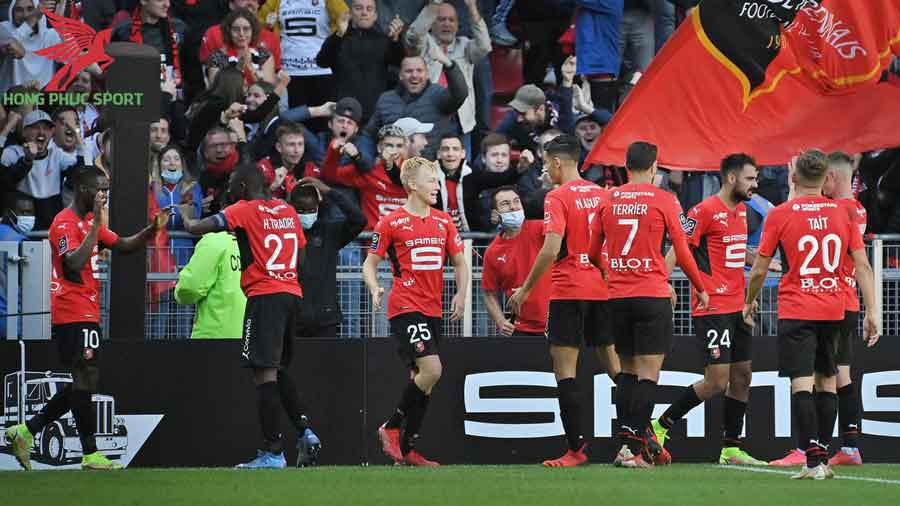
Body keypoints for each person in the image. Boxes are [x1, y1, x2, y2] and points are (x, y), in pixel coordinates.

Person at [4, 165, 169, 471]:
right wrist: (95, 229)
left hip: (88, 309)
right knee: (85, 378)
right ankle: (90, 453)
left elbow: (123, 245)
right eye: (100, 188)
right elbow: (72, 263)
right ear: (83, 190)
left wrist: (152, 229)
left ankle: (25, 430)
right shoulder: (64, 223)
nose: (104, 194)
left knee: (85, 381)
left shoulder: (89, 221)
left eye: (106, 188)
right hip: (71, 309)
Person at [744, 150, 879, 480]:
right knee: (828, 382)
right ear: (825, 178)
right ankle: (820, 452)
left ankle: (812, 458)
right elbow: (862, 264)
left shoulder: (781, 214)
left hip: (798, 307)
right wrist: (872, 309)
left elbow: (760, 267)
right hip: (835, 308)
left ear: (792, 177)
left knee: (801, 383)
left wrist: (749, 300)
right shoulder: (843, 213)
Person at [180, 163, 323, 469]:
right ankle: (305, 431)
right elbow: (300, 254)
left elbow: (198, 228)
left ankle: (273, 453)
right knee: (278, 368)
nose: (228, 189)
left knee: (264, 375)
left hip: (264, 297)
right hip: (290, 294)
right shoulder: (286, 211)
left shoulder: (243, 209)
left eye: (231, 184)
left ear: (243, 187)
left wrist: (185, 215)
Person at [588, 141, 709, 468]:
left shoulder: (608, 198)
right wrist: (700, 288)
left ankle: (624, 446)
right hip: (652, 294)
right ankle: (632, 448)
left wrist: (607, 271)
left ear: (627, 167)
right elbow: (682, 252)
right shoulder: (665, 199)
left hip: (617, 296)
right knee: (648, 374)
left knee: (627, 371)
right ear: (654, 167)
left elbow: (591, 253)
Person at [507, 135, 620, 467]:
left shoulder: (556, 197)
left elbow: (552, 248)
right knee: (615, 368)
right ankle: (643, 437)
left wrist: (525, 290)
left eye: (545, 163)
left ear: (558, 162)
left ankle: (575, 450)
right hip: (602, 289)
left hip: (569, 290)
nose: (545, 170)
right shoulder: (602, 194)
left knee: (565, 372)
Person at [650, 154, 766, 466]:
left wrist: (753, 263)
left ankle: (731, 449)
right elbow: (679, 246)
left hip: (739, 307)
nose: (755, 184)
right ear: (731, 178)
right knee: (717, 382)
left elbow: (728, 247)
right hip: (712, 306)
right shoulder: (703, 211)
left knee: (742, 376)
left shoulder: (742, 211)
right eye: (750, 178)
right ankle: (661, 426)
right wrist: (663, 281)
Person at [364, 157, 469, 467]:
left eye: (436, 180)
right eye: (431, 181)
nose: (437, 186)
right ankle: (392, 426)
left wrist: (462, 294)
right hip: (405, 306)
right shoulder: (390, 222)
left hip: (433, 308)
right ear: (412, 184)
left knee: (424, 378)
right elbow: (370, 262)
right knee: (433, 370)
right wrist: (373, 287)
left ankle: (408, 452)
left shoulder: (443, 221)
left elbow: (461, 262)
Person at [823, 151, 869, 467]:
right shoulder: (858, 208)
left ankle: (813, 446)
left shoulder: (838, 209)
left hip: (831, 300)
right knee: (841, 375)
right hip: (847, 299)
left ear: (833, 177)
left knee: (824, 376)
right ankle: (849, 446)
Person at [405, 0, 491, 158]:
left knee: (460, 174)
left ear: (458, 24)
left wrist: (472, 8)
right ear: (431, 23)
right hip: (429, 121)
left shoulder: (465, 46)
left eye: (451, 20)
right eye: (441, 19)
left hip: (459, 122)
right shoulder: (424, 44)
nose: (447, 24)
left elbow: (485, 46)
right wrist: (433, 6)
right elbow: (414, 35)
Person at [289, 178, 365, 338]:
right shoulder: (284, 233)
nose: (307, 215)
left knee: (327, 363)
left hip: (325, 319)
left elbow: (359, 220)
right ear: (292, 209)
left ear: (318, 207)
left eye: (311, 210)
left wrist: (330, 192)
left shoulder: (329, 231)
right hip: (293, 319)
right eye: (301, 211)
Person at [315, 0, 405, 123]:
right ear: (351, 13)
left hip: (374, 115)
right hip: (343, 115)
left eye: (369, 9)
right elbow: (322, 61)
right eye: (359, 8)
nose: (364, 13)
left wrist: (396, 40)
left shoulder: (384, 40)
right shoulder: (339, 37)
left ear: (375, 15)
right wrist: (339, 35)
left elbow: (400, 62)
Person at [363, 55, 468, 160]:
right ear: (400, 75)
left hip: (429, 168)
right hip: (392, 169)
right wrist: (367, 160)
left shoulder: (438, 94)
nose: (414, 75)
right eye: (409, 71)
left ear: (427, 74)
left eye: (419, 70)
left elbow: (459, 94)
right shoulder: (386, 100)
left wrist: (450, 66)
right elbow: (369, 135)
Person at [481, 186, 550, 337]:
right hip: (520, 329)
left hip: (557, 324)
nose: (513, 207)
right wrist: (500, 321)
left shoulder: (541, 229)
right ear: (495, 214)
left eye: (516, 201)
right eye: (505, 204)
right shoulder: (492, 252)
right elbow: (488, 293)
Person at [1, 109, 78, 230]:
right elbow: (5, 183)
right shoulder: (13, 153)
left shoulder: (58, 155)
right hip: (22, 225)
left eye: (46, 128)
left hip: (51, 226)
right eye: (36, 127)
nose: (41, 132)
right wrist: (27, 161)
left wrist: (77, 133)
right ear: (25, 132)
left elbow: (83, 173)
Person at [322, 124, 408, 231]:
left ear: (405, 148)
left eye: (399, 146)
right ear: (379, 148)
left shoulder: (416, 172)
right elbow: (330, 177)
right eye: (389, 145)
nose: (394, 151)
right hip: (375, 242)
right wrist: (334, 152)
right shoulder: (368, 172)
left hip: (407, 241)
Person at [174, 230, 246, 339]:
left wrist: (178, 292)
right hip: (252, 338)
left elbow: (189, 288)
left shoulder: (213, 243)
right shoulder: (260, 243)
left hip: (214, 338)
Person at [204, 8, 276, 86]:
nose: (241, 34)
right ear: (228, 31)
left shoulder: (265, 55)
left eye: (246, 29)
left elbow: (267, 91)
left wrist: (249, 66)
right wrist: (240, 66)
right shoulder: (216, 58)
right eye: (236, 29)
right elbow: (218, 92)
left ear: (253, 31)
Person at [0, 193, 34, 339]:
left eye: (30, 212)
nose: (27, 216)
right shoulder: (20, 242)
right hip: (10, 321)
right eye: (22, 212)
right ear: (9, 213)